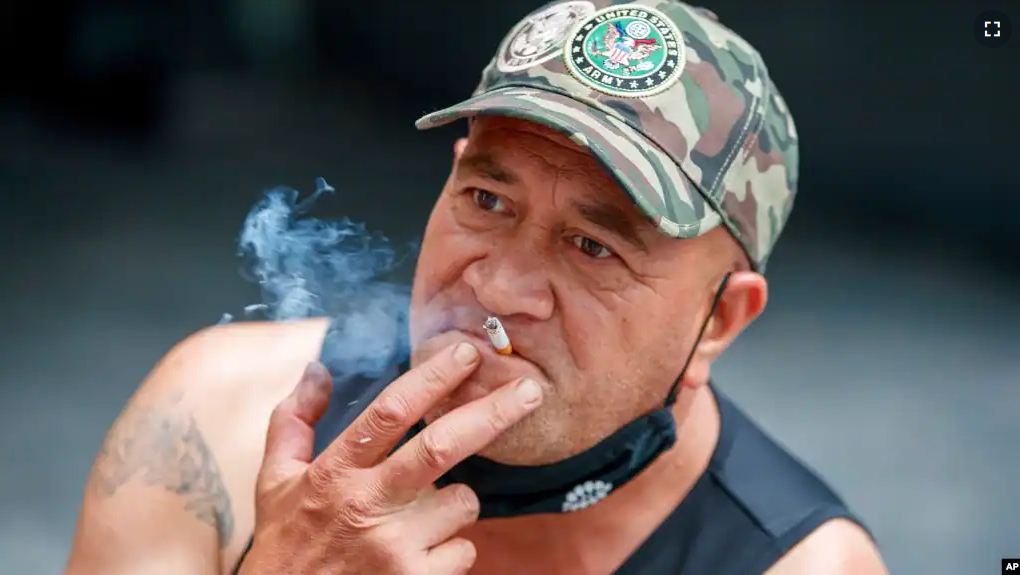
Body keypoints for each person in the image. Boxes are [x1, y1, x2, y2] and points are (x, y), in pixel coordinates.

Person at [65, 1, 888, 574]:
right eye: (488, 201)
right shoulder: (218, 412)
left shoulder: (797, 564)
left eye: (594, 247)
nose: (499, 285)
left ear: (720, 321)